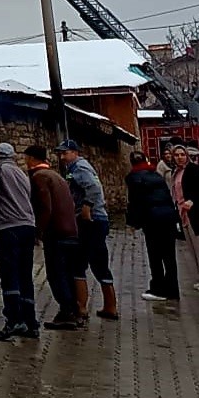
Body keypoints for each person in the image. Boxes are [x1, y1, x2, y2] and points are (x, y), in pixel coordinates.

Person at [56, 140, 117, 321]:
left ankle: (81, 307)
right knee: (99, 263)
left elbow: (93, 188)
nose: (62, 157)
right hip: (97, 221)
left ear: (75, 152)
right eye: (60, 153)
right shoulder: (75, 168)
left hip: (90, 221)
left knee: (79, 263)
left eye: (65, 153)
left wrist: (87, 207)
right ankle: (109, 306)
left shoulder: (79, 168)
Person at [0, 143, 38, 340]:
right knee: (25, 273)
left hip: (8, 227)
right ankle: (31, 321)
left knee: (9, 273)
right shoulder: (21, 173)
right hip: (28, 226)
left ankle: (14, 320)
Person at [22, 145, 78, 331]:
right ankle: (74, 309)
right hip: (70, 230)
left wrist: (39, 230)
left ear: (30, 158)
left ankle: (67, 311)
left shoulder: (40, 177)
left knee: (57, 273)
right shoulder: (57, 176)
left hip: (56, 232)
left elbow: (45, 207)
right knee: (69, 273)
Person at [125, 152, 181, 301]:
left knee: (155, 255)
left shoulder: (133, 178)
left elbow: (135, 202)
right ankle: (173, 289)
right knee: (169, 256)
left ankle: (158, 288)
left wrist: (133, 223)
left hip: (152, 219)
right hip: (168, 217)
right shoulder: (156, 176)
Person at [167, 145, 199, 294]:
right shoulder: (176, 172)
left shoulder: (194, 170)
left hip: (198, 214)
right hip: (184, 214)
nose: (180, 157)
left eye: (182, 154)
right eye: (176, 155)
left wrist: (192, 201)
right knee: (193, 248)